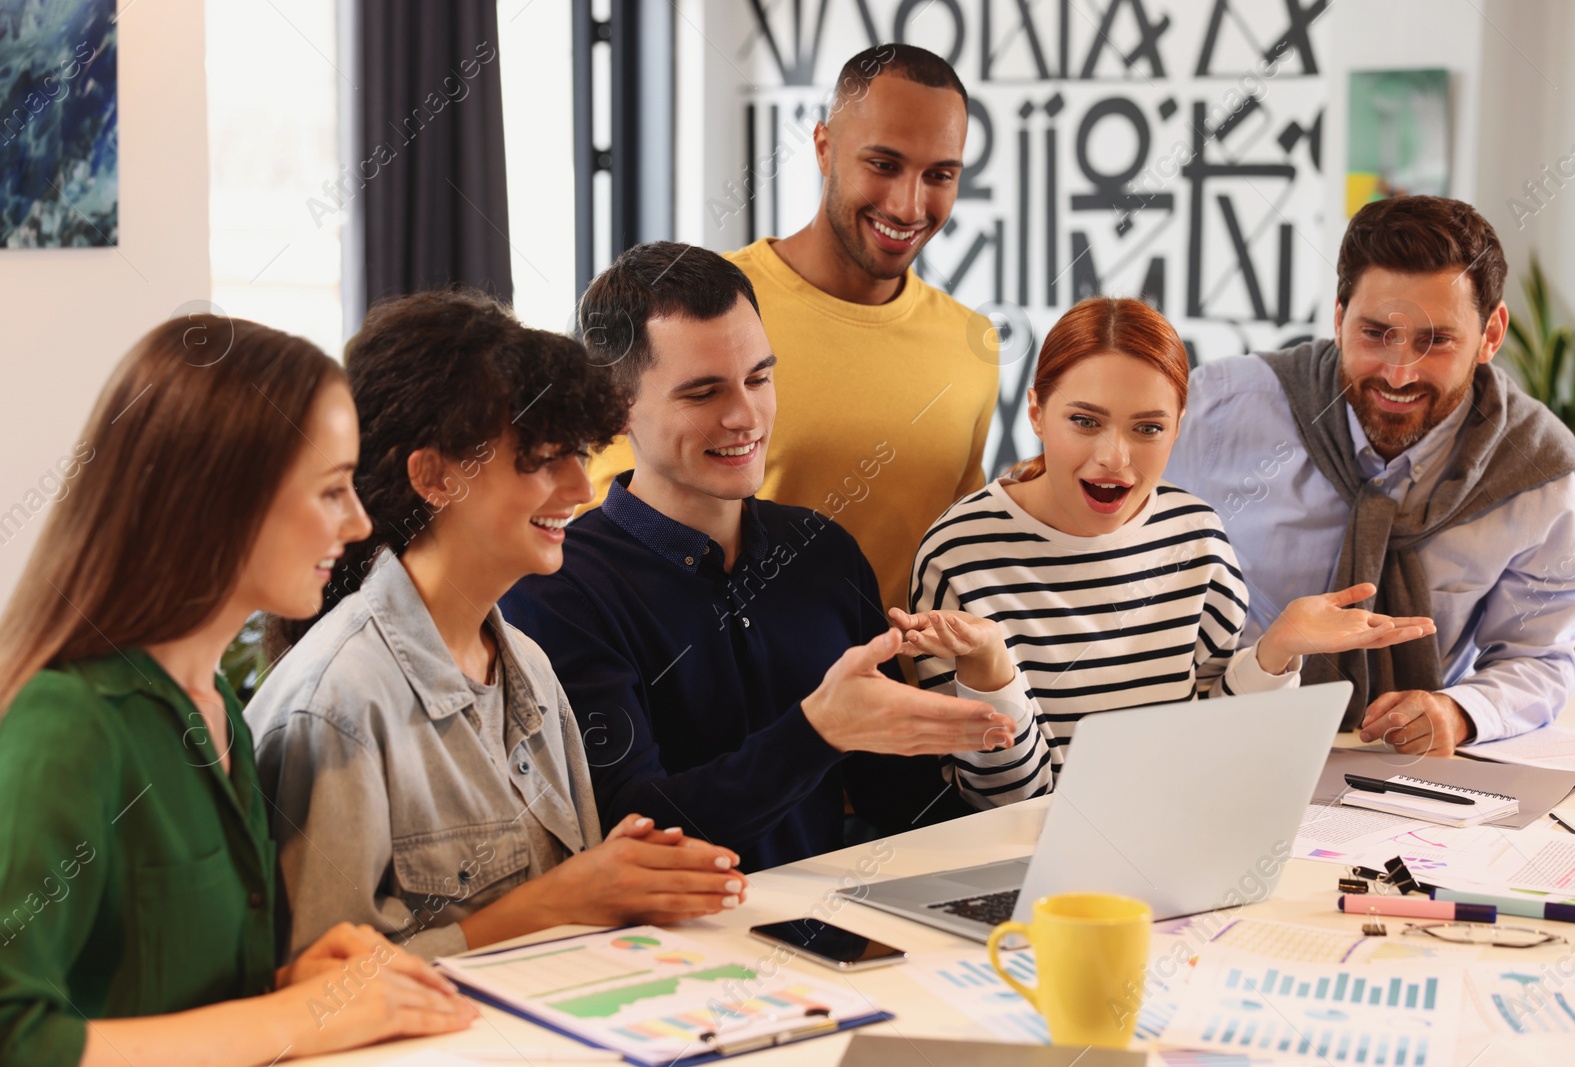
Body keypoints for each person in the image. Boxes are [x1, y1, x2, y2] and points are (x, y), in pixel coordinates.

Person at [0, 316, 476, 1066]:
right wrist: (297, 1018)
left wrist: (287, 984)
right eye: (330, 490)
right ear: (215, 499)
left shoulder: (215, 707)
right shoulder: (68, 724)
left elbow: (157, 998)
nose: (358, 522)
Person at [248, 290, 747, 963]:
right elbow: (310, 991)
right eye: (542, 458)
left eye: (578, 454)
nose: (581, 487)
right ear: (433, 475)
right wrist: (554, 903)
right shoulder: (336, 708)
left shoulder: (532, 669)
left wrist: (622, 880)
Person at [501, 242, 1014, 871]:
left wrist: (994, 695)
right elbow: (631, 825)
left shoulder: (823, 552)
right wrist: (819, 729)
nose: (747, 416)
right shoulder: (557, 587)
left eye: (760, 378)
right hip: (660, 953)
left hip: (830, 935)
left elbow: (894, 798)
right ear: (616, 403)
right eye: (703, 393)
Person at [897, 297, 1435, 808]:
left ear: (1179, 426)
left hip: (1173, 839)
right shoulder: (960, 553)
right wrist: (992, 669)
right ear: (1037, 412)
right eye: (1084, 421)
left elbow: (1211, 748)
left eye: (1148, 428)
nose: (1114, 457)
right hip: (1024, 861)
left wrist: (1278, 649)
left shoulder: (1195, 537)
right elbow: (1001, 801)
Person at [1165, 196, 1575, 755]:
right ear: (1340, 317)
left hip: (1412, 773)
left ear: (1491, 334)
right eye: (1376, 333)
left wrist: (1462, 712)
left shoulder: (1543, 480)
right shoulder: (1219, 408)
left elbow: (1536, 656)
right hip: (1219, 742)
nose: (1399, 372)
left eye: (1436, 341)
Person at [580, 44, 998, 622]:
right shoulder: (706, 316)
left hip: (903, 695)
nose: (908, 204)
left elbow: (959, 550)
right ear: (824, 148)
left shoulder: (972, 345)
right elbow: (607, 519)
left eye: (940, 175)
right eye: (883, 164)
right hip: (722, 684)